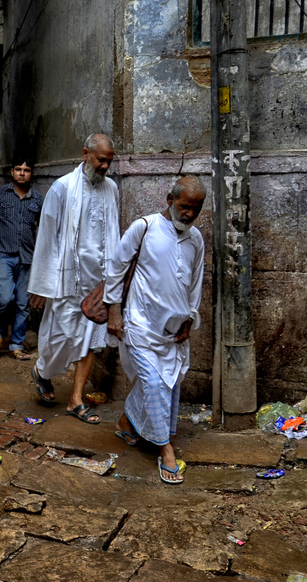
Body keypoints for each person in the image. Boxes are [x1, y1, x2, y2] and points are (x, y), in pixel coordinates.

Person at [105, 176, 206, 484]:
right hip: (139, 323)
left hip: (172, 330)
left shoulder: (196, 239)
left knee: (169, 381)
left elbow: (195, 282)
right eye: (184, 206)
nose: (188, 214)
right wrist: (114, 312)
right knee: (152, 382)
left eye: (196, 209)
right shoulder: (144, 227)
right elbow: (116, 267)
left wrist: (190, 317)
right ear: (169, 199)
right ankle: (165, 449)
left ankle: (126, 422)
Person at [27, 134, 119, 423]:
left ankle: (75, 400)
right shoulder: (62, 188)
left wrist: (114, 283)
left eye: (109, 161)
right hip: (66, 281)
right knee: (60, 339)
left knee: (90, 341)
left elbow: (114, 233)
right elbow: (47, 238)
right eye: (100, 159)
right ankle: (42, 371)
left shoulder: (111, 188)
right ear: (85, 154)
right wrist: (41, 284)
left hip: (97, 284)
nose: (105, 166)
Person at [0, 155, 43, 360]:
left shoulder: (38, 200)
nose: (22, 173)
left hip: (28, 259)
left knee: (23, 303)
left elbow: (43, 230)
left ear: (31, 174)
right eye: (18, 169)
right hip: (3, 255)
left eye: (26, 170)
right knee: (6, 298)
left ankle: (16, 344)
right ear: (12, 172)